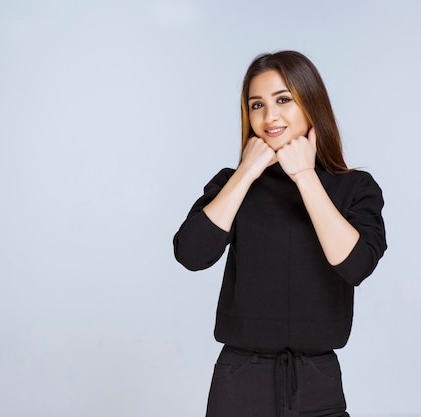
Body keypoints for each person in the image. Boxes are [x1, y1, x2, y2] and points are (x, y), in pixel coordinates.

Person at [173, 50, 387, 417]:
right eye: (257, 104)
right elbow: (191, 254)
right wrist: (245, 172)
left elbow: (355, 266)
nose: (269, 116)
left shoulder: (355, 188)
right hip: (239, 378)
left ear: (311, 103)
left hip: (316, 378)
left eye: (283, 100)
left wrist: (304, 176)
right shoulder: (232, 184)